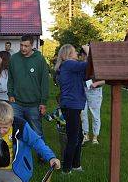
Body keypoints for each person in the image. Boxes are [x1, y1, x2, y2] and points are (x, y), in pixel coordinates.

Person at [8, 35, 50, 139]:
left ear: (32, 46)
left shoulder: (39, 60)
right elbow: (11, 79)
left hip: (34, 104)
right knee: (16, 131)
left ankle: (42, 154)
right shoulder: (14, 59)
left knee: (37, 131)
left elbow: (44, 82)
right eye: (21, 45)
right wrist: (10, 94)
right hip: (16, 103)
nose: (23, 48)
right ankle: (18, 153)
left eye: (26, 46)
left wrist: (43, 102)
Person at [54, 44, 87, 173]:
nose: (77, 54)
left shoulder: (70, 67)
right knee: (73, 138)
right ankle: (66, 169)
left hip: (73, 105)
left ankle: (76, 165)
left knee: (78, 137)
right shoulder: (68, 64)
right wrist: (89, 51)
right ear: (68, 54)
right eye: (74, 52)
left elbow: (85, 75)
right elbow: (85, 65)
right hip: (71, 105)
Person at [79, 45, 105, 144]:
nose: (81, 58)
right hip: (84, 90)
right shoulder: (82, 65)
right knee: (83, 113)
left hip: (95, 92)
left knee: (95, 114)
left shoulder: (97, 64)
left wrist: (96, 83)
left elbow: (105, 80)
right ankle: (85, 135)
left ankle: (95, 137)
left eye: (83, 56)